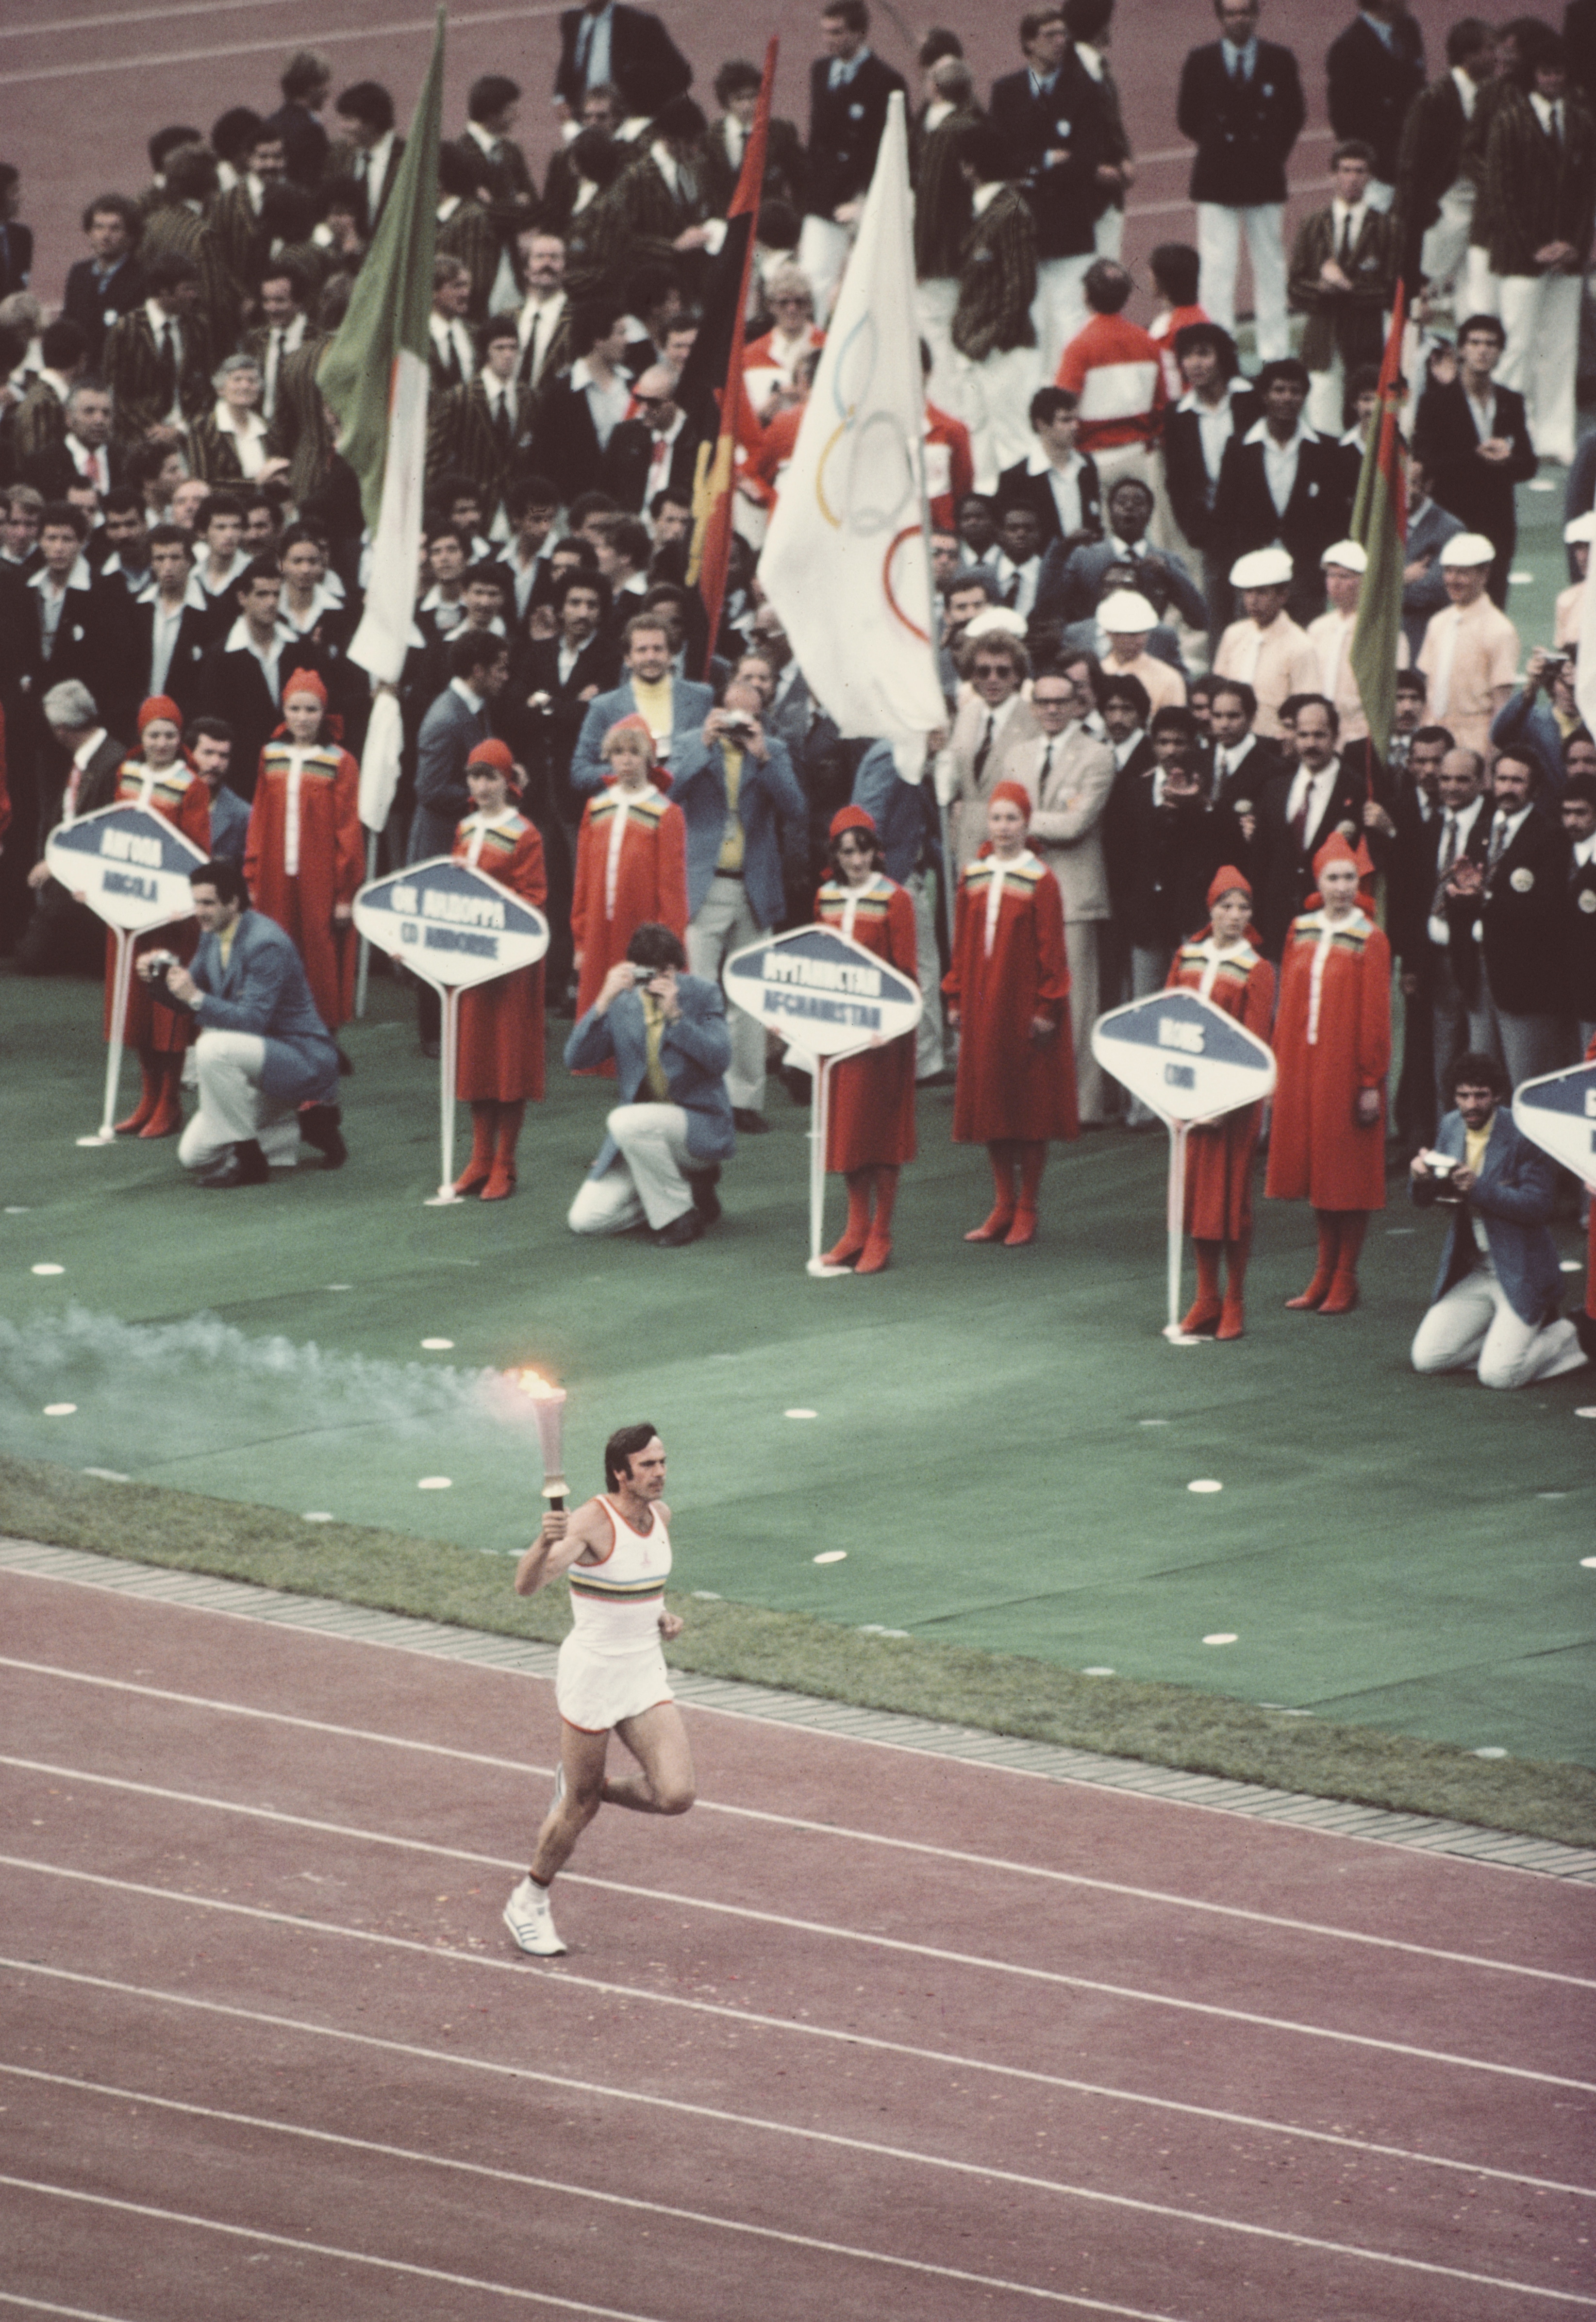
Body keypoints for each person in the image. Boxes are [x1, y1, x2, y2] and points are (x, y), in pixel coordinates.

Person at [503, 1420, 694, 1960]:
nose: (659, 1473)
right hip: (593, 1675)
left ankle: (585, 1785)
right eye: (648, 1466)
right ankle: (530, 1900)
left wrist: (663, 1616)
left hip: (642, 1671)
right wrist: (544, 1544)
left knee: (676, 1794)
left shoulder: (661, 1517)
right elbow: (526, 1586)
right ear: (620, 1472)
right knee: (578, 1810)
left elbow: (641, 1582)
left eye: (662, 1462)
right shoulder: (588, 1521)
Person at [140, 855, 345, 1186]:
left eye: (208, 902)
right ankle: (307, 1122)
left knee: (212, 1047)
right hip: (259, 1062)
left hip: (302, 1058)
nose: (200, 911)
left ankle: (251, 1159)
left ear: (234, 901)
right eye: (196, 902)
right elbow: (190, 995)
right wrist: (159, 978)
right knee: (195, 1156)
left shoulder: (266, 942)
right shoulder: (211, 932)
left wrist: (194, 996)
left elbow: (251, 1020)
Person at [670, 674, 807, 1131]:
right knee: (697, 994)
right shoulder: (694, 742)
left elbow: (796, 810)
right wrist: (704, 745)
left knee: (749, 996)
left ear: (760, 716)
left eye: (747, 717)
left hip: (754, 884)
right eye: (731, 716)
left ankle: (745, 1099)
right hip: (703, 884)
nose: (738, 726)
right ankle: (696, 1095)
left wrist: (763, 755)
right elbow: (670, 795)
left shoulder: (774, 750)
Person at [944, 781, 1077, 1245]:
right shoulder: (974, 874)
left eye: (1012, 819)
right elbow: (961, 943)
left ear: (1027, 823)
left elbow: (1053, 950)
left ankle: (1028, 1205)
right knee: (992, 1101)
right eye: (997, 818)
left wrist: (1047, 1005)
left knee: (1029, 1105)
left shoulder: (1041, 879)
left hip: (1023, 1003)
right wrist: (956, 996)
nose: (1004, 828)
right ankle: (1002, 1202)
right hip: (984, 1002)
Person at [1265, 833, 1391, 1314]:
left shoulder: (1370, 936)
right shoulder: (1300, 929)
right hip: (1305, 1065)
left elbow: (1376, 1016)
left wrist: (1369, 1081)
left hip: (1348, 1067)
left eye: (1350, 878)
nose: (1342, 886)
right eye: (1333, 877)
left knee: (1347, 1172)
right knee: (1319, 1170)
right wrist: (1281, 1071)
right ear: (1318, 881)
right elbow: (1288, 1006)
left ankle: (1346, 1275)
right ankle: (1322, 1271)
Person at [1410, 1052, 1586, 1387]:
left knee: (1499, 1376)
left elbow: (1538, 1207)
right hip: (1478, 1270)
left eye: (1480, 1095)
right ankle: (1505, 1342)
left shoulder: (1523, 1133)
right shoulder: (1450, 1125)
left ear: (1498, 1095)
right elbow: (1425, 1199)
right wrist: (1420, 1179)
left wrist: (1479, 1189)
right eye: (1463, 1095)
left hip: (1522, 1271)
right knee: (1428, 1359)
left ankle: (1573, 1335)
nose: (1471, 1104)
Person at [565, 920, 734, 1244]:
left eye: (667, 975)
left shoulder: (703, 993)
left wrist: (676, 1018)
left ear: (677, 970)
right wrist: (602, 999)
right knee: (586, 1219)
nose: (657, 983)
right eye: (649, 975)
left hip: (697, 1127)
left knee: (623, 1121)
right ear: (634, 970)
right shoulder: (623, 1003)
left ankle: (679, 1218)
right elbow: (575, 1058)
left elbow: (720, 1059)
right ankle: (687, 1194)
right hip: (644, 1135)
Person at [1166, 866, 1276, 1338]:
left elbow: (1253, 1042)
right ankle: (1205, 1296)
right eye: (1225, 906)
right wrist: (1176, 1095)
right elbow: (1170, 1024)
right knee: (1194, 1200)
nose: (1234, 915)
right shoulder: (1188, 956)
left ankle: (1235, 1299)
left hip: (1232, 1104)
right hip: (1190, 1100)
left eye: (1243, 907)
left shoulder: (1257, 967)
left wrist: (1224, 1104)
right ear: (1210, 909)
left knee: (1230, 1201)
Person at [813, 806, 919, 1272]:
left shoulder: (894, 898)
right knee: (847, 1131)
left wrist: (892, 1027)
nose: (856, 861)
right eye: (847, 852)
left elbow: (906, 973)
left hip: (882, 1037)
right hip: (840, 1036)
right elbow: (814, 967)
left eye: (863, 851)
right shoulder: (826, 898)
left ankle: (882, 1231)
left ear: (877, 852)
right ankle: (856, 1227)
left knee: (880, 1133)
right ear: (836, 855)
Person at [1483, 27, 1595, 468]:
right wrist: (1533, 248)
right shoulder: (1508, 123)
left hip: (1567, 260)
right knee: (1516, 346)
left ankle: (1555, 435)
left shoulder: (1582, 122)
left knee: (1562, 347)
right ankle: (1508, 435)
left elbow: (1588, 193)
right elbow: (1500, 192)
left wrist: (1574, 244)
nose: (1553, 80)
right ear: (1534, 76)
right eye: (1546, 72)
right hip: (1521, 259)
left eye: (1559, 73)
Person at [444, 739, 548, 1201]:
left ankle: (505, 1160)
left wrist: (495, 927)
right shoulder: (465, 828)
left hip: (511, 967)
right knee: (477, 1059)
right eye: (475, 776)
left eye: (490, 777)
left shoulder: (525, 833)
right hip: (472, 966)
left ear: (508, 781)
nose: (482, 785)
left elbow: (534, 898)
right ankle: (479, 1157)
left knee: (508, 1062)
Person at [106, 695, 211, 1139]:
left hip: (170, 913)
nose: (162, 742)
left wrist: (184, 901)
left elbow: (195, 850)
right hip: (130, 909)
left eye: (170, 734)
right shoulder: (127, 774)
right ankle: (147, 1096)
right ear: (141, 736)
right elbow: (113, 834)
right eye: (154, 734)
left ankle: (170, 1101)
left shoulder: (191, 785)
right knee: (134, 1004)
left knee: (166, 1006)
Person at [1176, 0, 1305, 360]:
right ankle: (1221, 352)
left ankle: (1275, 354)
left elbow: (1294, 114)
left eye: (1245, 12)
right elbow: (1187, 117)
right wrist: (1220, 147)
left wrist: (1268, 153)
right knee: (1217, 271)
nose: (1239, 20)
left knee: (1271, 268)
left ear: (1256, 14)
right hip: (1217, 181)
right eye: (1231, 13)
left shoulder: (1280, 60)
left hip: (1264, 178)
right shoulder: (1200, 61)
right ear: (1220, 17)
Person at [1014, 664, 1115, 1124]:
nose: (1053, 710)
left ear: (1077, 704)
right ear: (1033, 706)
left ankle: (1083, 1105)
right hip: (1025, 890)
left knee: (1077, 1000)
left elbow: (1075, 824)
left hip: (1074, 892)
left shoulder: (1096, 755)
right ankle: (1037, 1098)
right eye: (1044, 701)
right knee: (1031, 996)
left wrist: (1018, 822)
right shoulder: (1017, 753)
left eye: (1061, 701)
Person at [243, 668, 362, 1037]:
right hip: (276, 875)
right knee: (274, 951)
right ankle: (277, 1042)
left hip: (320, 878)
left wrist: (345, 894)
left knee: (320, 960)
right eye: (294, 709)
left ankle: (321, 1043)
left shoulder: (339, 761)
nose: (302, 718)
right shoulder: (270, 755)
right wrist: (253, 873)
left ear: (324, 712)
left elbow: (348, 830)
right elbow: (259, 818)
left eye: (311, 710)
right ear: (284, 711)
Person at [987, 8, 1104, 372]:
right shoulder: (1006, 92)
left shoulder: (1085, 90)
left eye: (1062, 34)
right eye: (1050, 35)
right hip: (1026, 226)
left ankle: (1071, 391)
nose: (1060, 42)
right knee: (1032, 314)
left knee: (1072, 314)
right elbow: (1000, 156)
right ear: (1028, 42)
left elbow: (1087, 157)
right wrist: (1047, 159)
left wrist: (1035, 169)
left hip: (1071, 223)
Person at [571, 714, 688, 1036]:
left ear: (649, 757)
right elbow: (582, 879)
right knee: (600, 1005)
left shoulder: (665, 812)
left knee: (640, 1014)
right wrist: (580, 940)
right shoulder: (596, 807)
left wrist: (669, 946)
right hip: (598, 926)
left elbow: (673, 890)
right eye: (619, 751)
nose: (626, 759)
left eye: (634, 752)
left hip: (642, 927)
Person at [1412, 317, 1534, 607]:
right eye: (1475, 343)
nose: (1483, 350)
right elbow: (1427, 463)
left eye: (1491, 344)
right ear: (1462, 350)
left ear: (1501, 351)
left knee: (1494, 604)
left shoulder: (1510, 401)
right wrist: (1475, 457)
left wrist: (1507, 459)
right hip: (1450, 519)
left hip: (1498, 522)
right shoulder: (1436, 402)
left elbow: (1528, 464)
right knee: (1444, 605)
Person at [801, 1, 908, 315]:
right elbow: (817, 138)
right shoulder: (821, 71)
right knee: (815, 281)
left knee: (867, 285)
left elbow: (890, 147)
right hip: (823, 200)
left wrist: (866, 198)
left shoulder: (886, 80)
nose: (829, 39)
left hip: (863, 199)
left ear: (860, 33)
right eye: (825, 32)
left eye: (837, 32)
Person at [951, 125, 1042, 494]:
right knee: (981, 442)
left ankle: (1021, 518)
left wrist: (990, 341)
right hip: (976, 352)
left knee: (1014, 441)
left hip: (1004, 352)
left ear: (970, 167)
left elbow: (1021, 286)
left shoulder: (1011, 210)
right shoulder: (985, 209)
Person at [1287, 141, 1397, 440]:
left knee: (1365, 427)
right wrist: (1323, 289)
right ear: (1333, 175)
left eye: (1360, 171)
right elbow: (1295, 287)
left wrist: (1346, 287)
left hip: (1366, 341)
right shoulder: (1313, 224)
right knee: (1324, 424)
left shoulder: (1386, 226)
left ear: (1370, 177)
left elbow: (1389, 289)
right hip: (1323, 339)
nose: (1352, 178)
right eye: (1345, 170)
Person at [17, 681, 126, 976]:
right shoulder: (89, 759)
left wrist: (55, 864)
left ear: (62, 730)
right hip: (65, 870)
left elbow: (106, 831)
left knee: (30, 962)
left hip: (85, 879)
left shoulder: (113, 762)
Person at [1054, 258, 1165, 500]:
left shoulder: (1079, 347)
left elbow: (1062, 405)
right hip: (1140, 457)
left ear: (1085, 296)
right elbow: (1161, 404)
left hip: (1095, 459)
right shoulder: (1147, 342)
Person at [1416, 532, 1519, 758]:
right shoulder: (1438, 623)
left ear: (1484, 574)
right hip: (1434, 738)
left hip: (1475, 742)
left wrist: (1491, 756)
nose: (1452, 580)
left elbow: (1502, 702)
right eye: (1449, 571)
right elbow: (1429, 690)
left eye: (1462, 573)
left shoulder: (1500, 629)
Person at [1325, 0, 1427, 212]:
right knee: (1375, 238)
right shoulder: (1348, 48)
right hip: (1379, 174)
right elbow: (1344, 120)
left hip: (1414, 163)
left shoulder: (1408, 30)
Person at [1212, 546, 1318, 739]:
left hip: (1273, 743)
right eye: (1248, 592)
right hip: (1231, 739)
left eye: (1262, 593)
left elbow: (1306, 709)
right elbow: (1219, 692)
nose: (1253, 601)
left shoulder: (1300, 645)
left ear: (1282, 596)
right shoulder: (1234, 635)